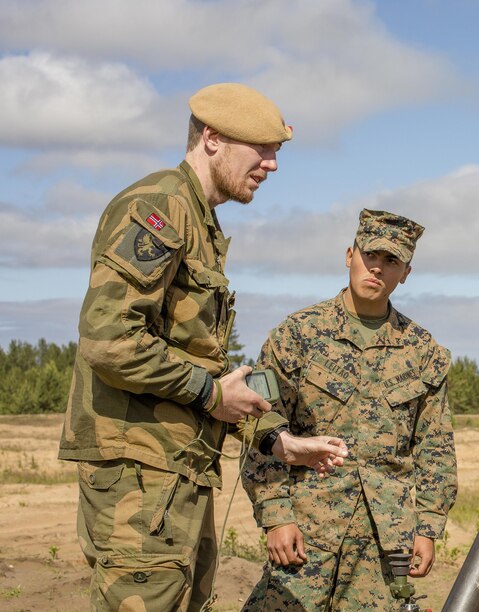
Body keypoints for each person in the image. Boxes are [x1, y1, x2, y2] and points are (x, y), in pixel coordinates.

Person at [58, 82, 349, 611]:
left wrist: (277, 440)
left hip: (172, 473)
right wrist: (213, 395)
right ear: (212, 139)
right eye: (261, 148)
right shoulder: (160, 206)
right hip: (140, 477)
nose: (272, 164)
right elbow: (109, 338)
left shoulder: (200, 220)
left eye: (277, 151)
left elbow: (204, 362)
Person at [241, 209, 458, 610]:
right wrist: (275, 514)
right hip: (307, 531)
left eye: (392, 260)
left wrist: (427, 528)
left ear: (406, 272)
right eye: (369, 254)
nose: (377, 267)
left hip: (387, 541)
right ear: (349, 255)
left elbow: (436, 449)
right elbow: (260, 424)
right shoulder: (296, 335)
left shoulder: (424, 351)